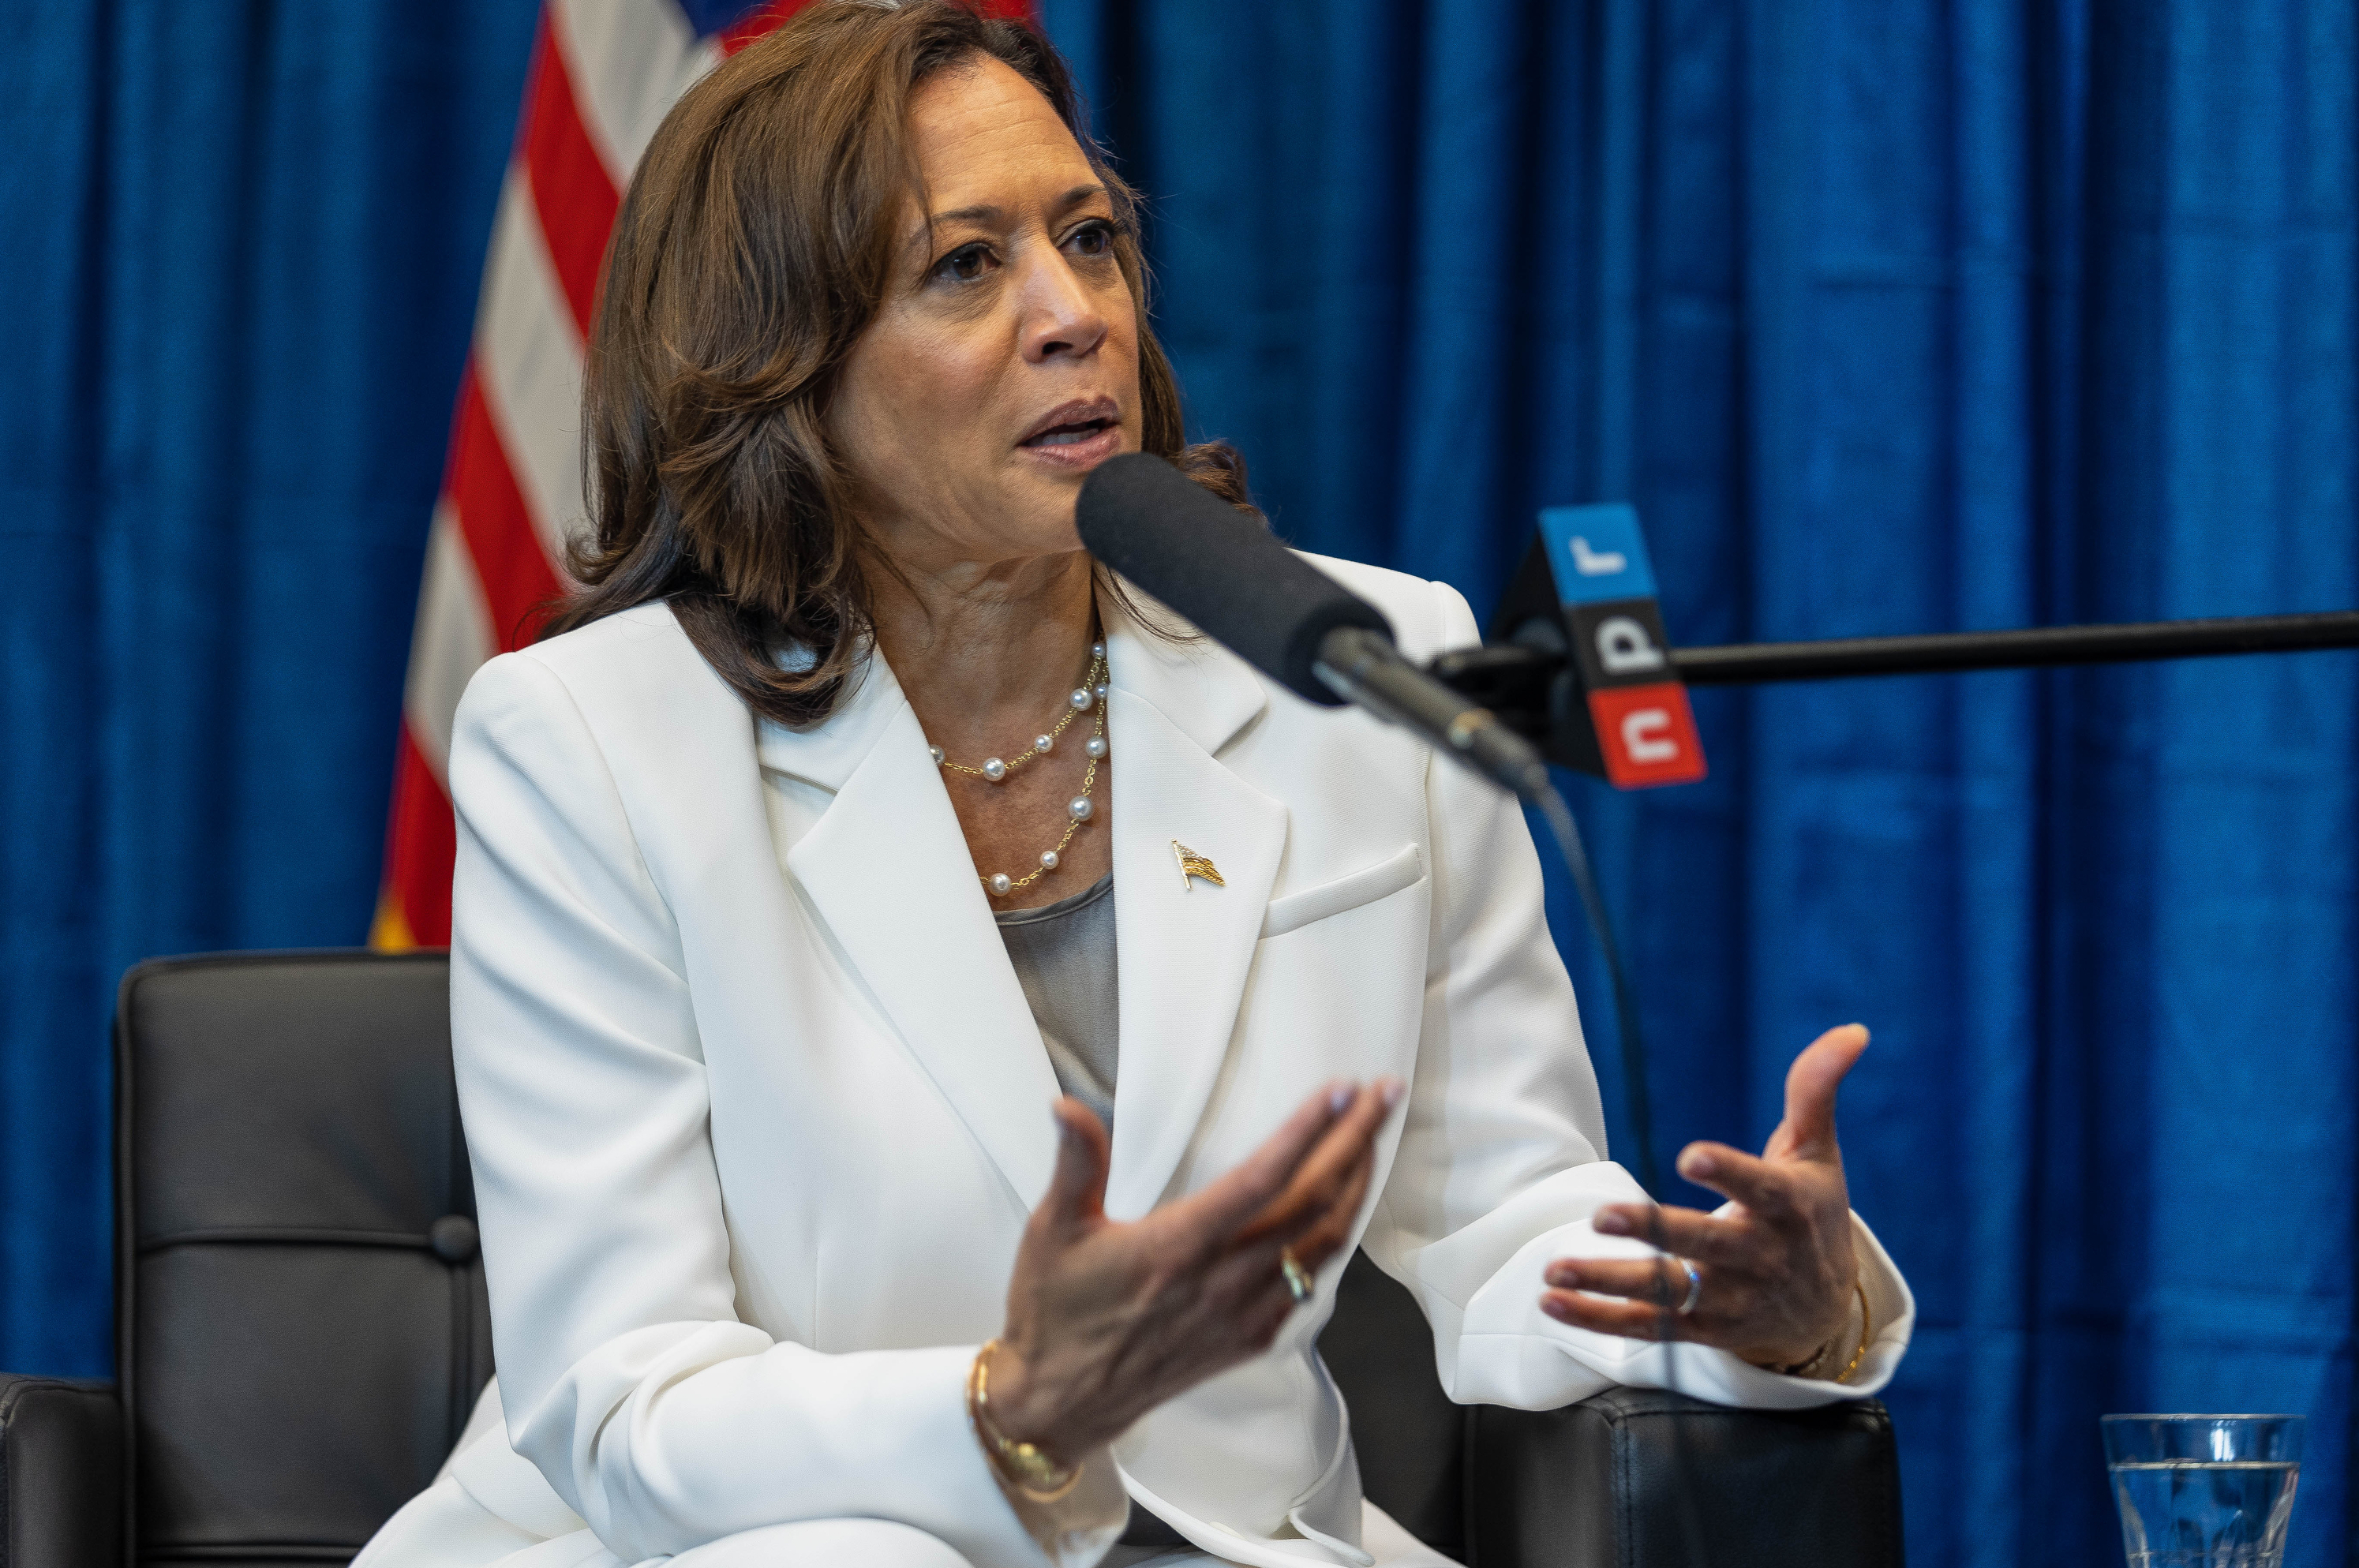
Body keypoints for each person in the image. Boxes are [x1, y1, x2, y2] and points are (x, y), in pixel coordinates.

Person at [356, 6, 1913, 1567]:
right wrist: (1004, 1398)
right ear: (787, 366)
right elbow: (630, 1403)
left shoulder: (1359, 664)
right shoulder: (590, 740)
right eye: (966, 266)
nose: (1071, 312)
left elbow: (1506, 1217)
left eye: (1088, 238)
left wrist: (1756, 1306)